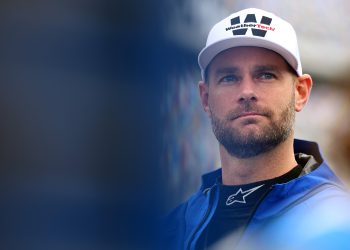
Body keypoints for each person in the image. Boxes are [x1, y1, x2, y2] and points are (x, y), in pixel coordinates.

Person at [163, 8, 350, 250]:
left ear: (300, 92)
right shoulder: (171, 228)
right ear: (206, 98)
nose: (247, 92)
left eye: (266, 75)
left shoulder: (335, 223)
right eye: (229, 78)